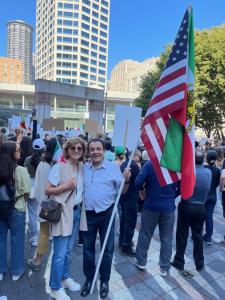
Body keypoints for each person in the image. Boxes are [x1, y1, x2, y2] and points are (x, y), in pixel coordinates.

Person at [81, 139, 131, 299]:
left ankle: (104, 280)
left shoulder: (113, 169)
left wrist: (127, 180)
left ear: (103, 151)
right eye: (92, 149)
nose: (95, 152)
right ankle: (89, 279)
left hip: (107, 215)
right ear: (88, 152)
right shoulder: (83, 169)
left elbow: (122, 192)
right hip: (88, 215)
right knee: (87, 249)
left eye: (98, 149)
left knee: (107, 250)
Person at [46, 137, 86, 300]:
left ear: (83, 151)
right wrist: (66, 186)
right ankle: (55, 287)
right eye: (72, 148)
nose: (76, 150)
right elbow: (47, 189)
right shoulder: (59, 167)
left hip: (76, 213)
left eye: (79, 148)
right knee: (60, 253)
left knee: (68, 251)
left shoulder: (83, 167)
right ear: (67, 150)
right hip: (62, 213)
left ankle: (64, 277)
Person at [134, 160, 180, 277]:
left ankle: (141, 261)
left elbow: (138, 182)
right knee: (166, 238)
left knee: (145, 234)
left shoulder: (150, 164)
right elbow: (183, 185)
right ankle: (164, 267)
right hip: (168, 207)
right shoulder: (175, 164)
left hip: (151, 205)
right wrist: (172, 196)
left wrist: (144, 189)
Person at [171, 149, 212, 273]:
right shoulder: (208, 172)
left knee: (182, 234)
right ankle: (199, 263)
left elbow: (180, 188)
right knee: (198, 236)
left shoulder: (188, 173)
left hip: (187, 206)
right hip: (201, 207)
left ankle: (179, 261)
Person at [0, 141, 30, 281]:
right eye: (18, 150)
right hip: (17, 208)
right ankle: (17, 271)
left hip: (0, 208)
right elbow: (27, 193)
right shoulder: (21, 170)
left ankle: (1, 270)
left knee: (0, 240)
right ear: (11, 152)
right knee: (17, 240)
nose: (20, 152)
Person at [27, 138, 58, 270]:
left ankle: (38, 261)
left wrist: (41, 203)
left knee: (44, 233)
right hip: (57, 204)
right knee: (52, 233)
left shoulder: (44, 164)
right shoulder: (57, 165)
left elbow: (40, 187)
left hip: (46, 204)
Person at [24, 138, 46, 247]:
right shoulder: (46, 160)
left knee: (32, 214)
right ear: (43, 148)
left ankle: (34, 237)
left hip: (31, 188)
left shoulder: (28, 159)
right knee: (44, 213)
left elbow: (24, 174)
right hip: (43, 189)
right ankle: (47, 235)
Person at [119, 156, 140, 256]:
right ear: (135, 155)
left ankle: (122, 242)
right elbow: (139, 182)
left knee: (124, 220)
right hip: (131, 198)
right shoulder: (134, 166)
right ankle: (126, 246)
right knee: (130, 223)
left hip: (123, 197)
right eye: (138, 156)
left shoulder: (124, 163)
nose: (139, 157)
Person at [203, 150, 220, 244]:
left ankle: (196, 234)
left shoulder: (203, 168)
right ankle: (208, 237)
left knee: (200, 215)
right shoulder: (217, 170)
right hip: (213, 195)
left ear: (206, 158)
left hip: (204, 195)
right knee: (209, 216)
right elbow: (217, 183)